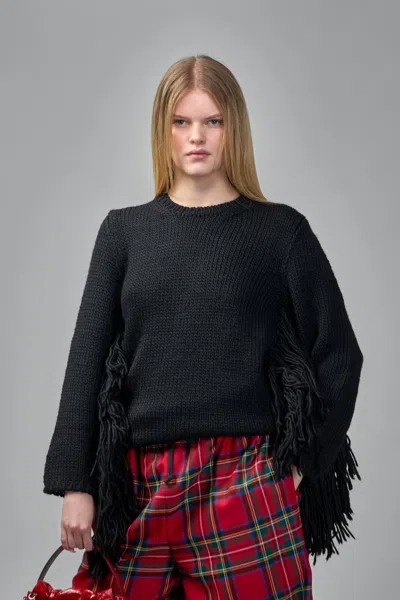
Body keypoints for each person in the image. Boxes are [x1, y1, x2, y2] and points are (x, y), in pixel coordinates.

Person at [43, 54, 364, 600]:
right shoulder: (123, 233)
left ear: (233, 128)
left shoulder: (280, 232)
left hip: (244, 479)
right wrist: (76, 483)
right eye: (182, 121)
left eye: (213, 121)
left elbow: (340, 355)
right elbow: (86, 362)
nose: (197, 136)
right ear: (162, 130)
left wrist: (300, 466)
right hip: (139, 486)